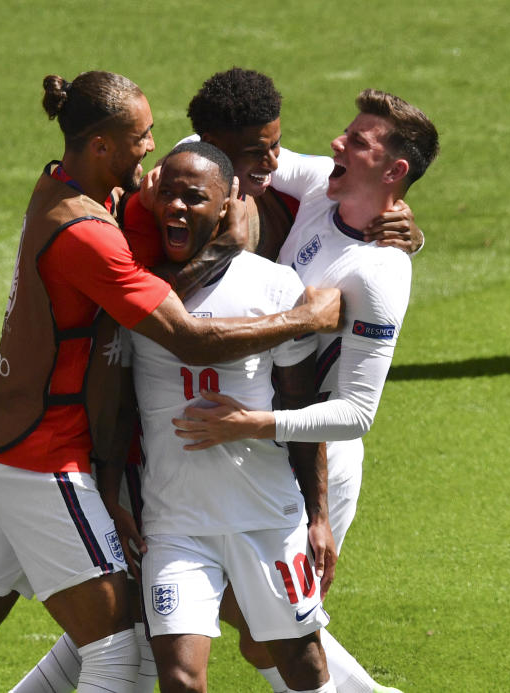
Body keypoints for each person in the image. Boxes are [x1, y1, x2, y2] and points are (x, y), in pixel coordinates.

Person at [0, 70, 342, 693]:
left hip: (0, 450)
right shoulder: (89, 234)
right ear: (102, 147)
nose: (152, 148)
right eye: (142, 137)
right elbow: (183, 335)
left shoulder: (70, 191)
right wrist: (302, 318)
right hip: (43, 459)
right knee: (116, 653)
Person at [173, 88, 440, 693]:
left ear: (394, 170)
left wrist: (254, 426)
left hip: (319, 461)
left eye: (358, 141)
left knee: (273, 630)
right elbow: (213, 152)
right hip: (262, 448)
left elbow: (356, 414)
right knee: (255, 623)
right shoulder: (325, 184)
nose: (335, 143)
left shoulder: (380, 271)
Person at [127, 141, 338, 693]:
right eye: (166, 194)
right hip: (174, 523)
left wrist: (317, 512)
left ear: (226, 207)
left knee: (304, 664)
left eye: (193, 197)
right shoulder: (135, 283)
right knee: (179, 677)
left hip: (267, 519)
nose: (176, 207)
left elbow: (297, 402)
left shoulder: (272, 285)